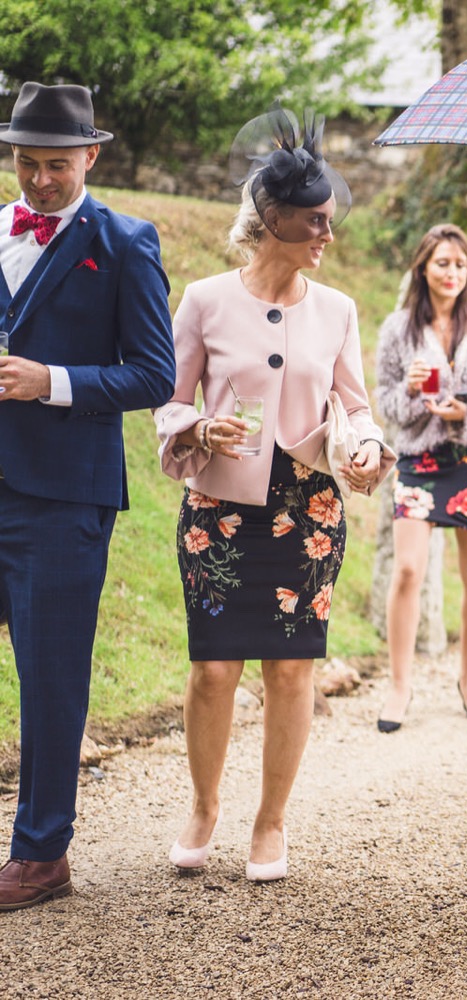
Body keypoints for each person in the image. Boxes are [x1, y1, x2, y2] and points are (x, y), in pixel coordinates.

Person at [155, 108, 393, 882]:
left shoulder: (339, 310)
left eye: (330, 220)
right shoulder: (203, 298)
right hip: (218, 509)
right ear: (270, 220)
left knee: (291, 670)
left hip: (308, 511)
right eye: (314, 222)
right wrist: (198, 426)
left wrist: (365, 447)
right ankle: (204, 805)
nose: (328, 234)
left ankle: (271, 822)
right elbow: (168, 396)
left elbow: (353, 406)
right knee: (215, 670)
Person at [0, 83, 176, 912]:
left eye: (56, 166)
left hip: (63, 499)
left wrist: (52, 382)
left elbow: (153, 374)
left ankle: (42, 855)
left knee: (52, 677)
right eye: (27, 164)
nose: (39, 181)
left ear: (91, 158)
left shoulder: (126, 243)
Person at [374, 224, 467, 732]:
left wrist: (464, 416)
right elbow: (386, 405)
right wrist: (412, 393)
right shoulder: (398, 329)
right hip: (418, 460)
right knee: (408, 570)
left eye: (460, 264)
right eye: (442, 263)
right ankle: (399, 685)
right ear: (423, 268)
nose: (452, 272)